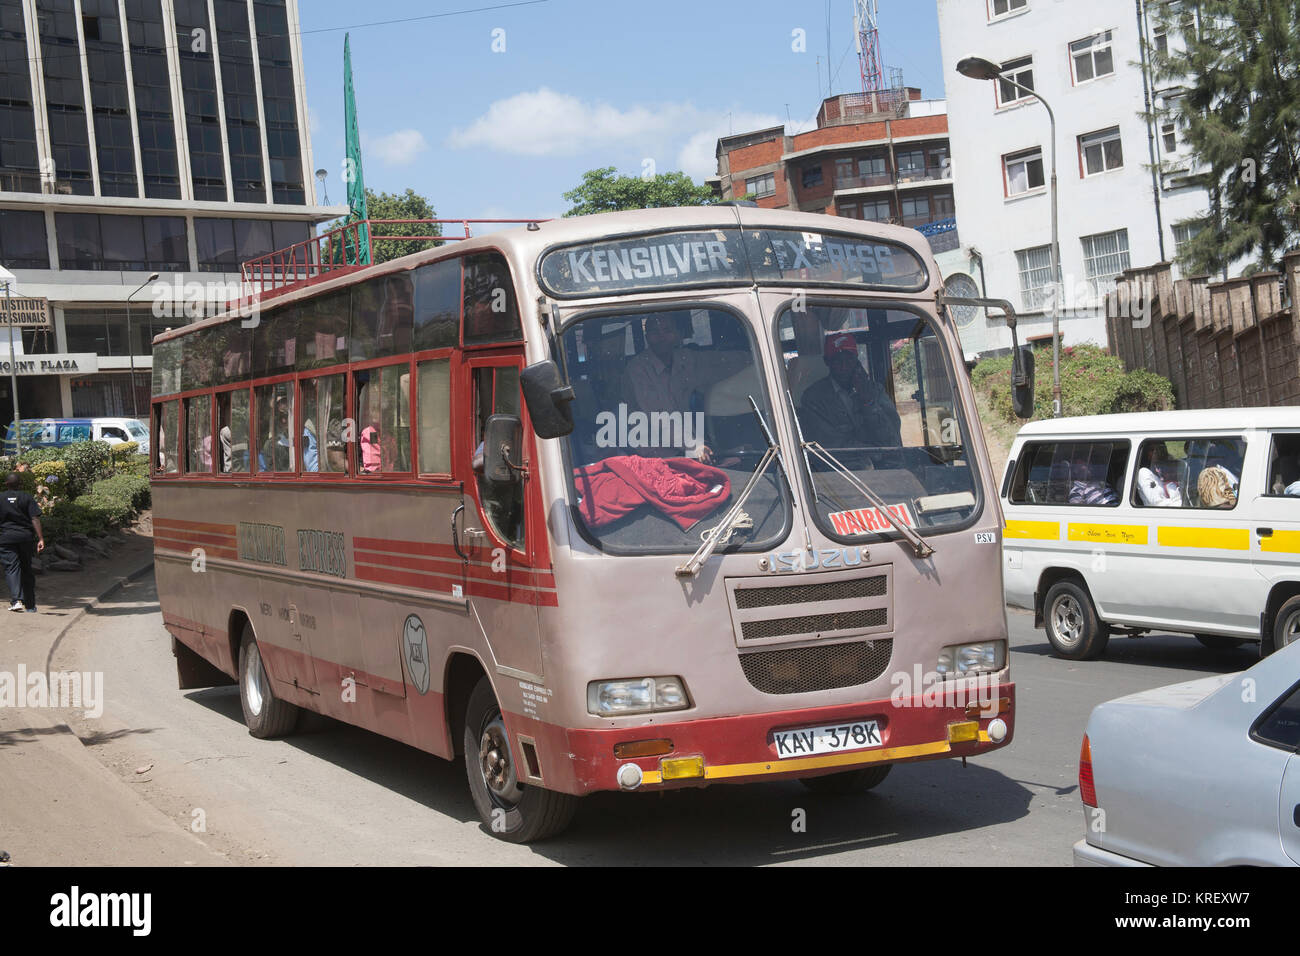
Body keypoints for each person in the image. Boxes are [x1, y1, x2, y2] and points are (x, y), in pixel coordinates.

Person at [623, 314, 735, 462]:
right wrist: (693, 446)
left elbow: (719, 363)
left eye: (667, 330)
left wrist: (753, 357)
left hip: (690, 449)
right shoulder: (638, 369)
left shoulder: (685, 359)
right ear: (647, 337)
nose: (661, 337)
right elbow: (659, 418)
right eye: (655, 332)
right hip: (654, 455)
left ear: (677, 334)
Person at [798, 332, 902, 449]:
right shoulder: (814, 398)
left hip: (886, 463)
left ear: (857, 361)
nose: (844, 367)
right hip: (842, 466)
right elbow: (830, 444)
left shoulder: (875, 391)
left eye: (849, 360)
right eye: (838, 361)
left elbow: (892, 440)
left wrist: (868, 402)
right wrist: (873, 452)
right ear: (827, 361)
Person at [0, 473, 45, 613]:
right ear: (20, 485)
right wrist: (41, 538)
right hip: (25, 538)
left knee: (11, 568)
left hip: (5, 538)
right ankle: (30, 606)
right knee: (27, 569)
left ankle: (16, 600)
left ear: (6, 484)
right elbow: (34, 519)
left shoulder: (0, 498)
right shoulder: (27, 497)